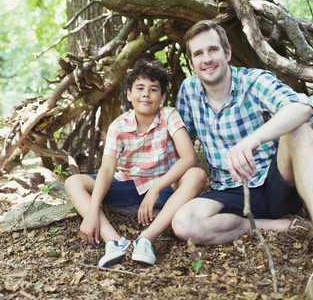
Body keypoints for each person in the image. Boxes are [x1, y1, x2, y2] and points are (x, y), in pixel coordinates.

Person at [172, 20, 313, 300]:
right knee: (183, 223)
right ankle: (274, 226)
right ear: (191, 61)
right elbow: (178, 145)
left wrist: (253, 140)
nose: (207, 59)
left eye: (213, 50)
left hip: (275, 181)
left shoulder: (253, 80)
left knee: (300, 129)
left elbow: (303, 107)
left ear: (227, 52)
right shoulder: (189, 92)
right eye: (198, 53)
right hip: (229, 191)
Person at [65, 60, 207, 268]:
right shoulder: (119, 126)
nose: (146, 94)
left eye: (153, 89)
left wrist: (156, 188)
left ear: (163, 97)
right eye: (140, 88)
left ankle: (146, 239)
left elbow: (189, 158)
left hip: (166, 186)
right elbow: (106, 169)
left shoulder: (169, 116)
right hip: (127, 185)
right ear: (129, 95)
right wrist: (92, 212)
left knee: (197, 174)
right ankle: (113, 241)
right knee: (73, 182)